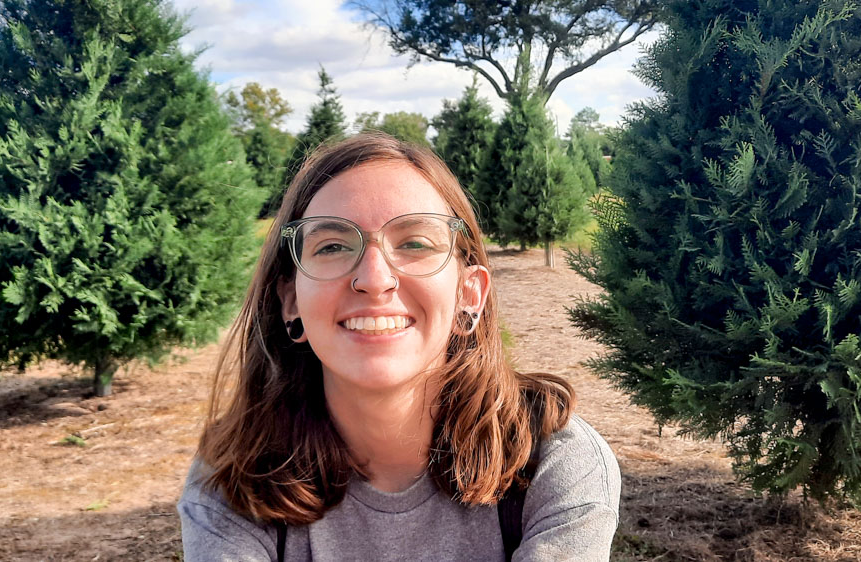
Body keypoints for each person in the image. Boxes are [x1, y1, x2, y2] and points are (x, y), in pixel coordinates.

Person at [178, 132, 620, 561]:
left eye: (414, 243)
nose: (374, 279)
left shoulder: (555, 462)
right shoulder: (234, 478)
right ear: (291, 300)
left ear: (470, 294)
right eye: (332, 245)